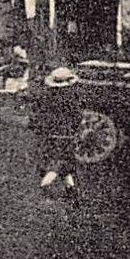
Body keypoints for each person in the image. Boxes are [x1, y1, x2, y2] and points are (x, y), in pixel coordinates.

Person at [31, 66, 82, 202]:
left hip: (51, 133)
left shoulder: (48, 97)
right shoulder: (71, 98)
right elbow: (77, 117)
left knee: (61, 161)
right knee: (62, 161)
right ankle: (45, 184)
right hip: (66, 134)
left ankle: (70, 188)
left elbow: (38, 115)